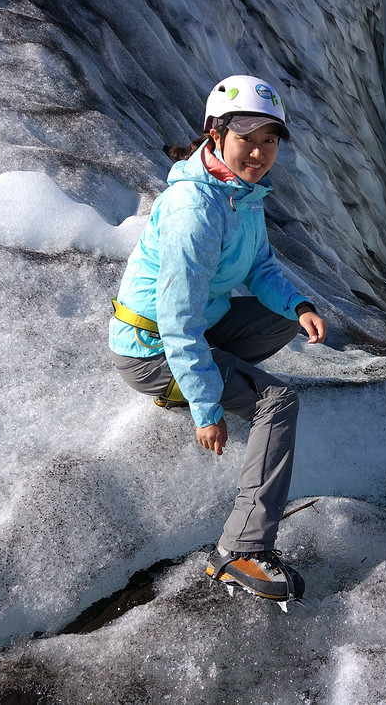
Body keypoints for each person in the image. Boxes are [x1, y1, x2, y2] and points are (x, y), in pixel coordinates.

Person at [109, 75, 326, 606]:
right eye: (246, 137)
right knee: (277, 402)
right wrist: (207, 407)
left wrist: (299, 306)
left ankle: (211, 375)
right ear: (216, 133)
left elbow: (261, 266)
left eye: (270, 139)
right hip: (152, 349)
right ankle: (241, 550)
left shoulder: (241, 194)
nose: (258, 151)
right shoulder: (197, 208)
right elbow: (177, 319)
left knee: (279, 320)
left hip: (194, 328)